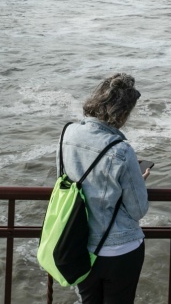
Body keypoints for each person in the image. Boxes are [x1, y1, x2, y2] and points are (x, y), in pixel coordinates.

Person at [59, 73, 150, 304]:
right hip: (120, 249)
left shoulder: (67, 134)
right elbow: (138, 209)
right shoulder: (121, 149)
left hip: (78, 245)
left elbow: (65, 183)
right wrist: (139, 180)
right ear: (122, 112)